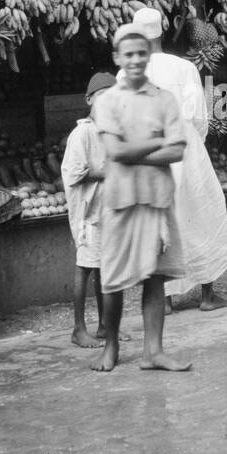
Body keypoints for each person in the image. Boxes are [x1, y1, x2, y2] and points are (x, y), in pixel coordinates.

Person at [90, 26, 192, 373]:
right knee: (113, 279)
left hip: (156, 198)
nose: (135, 60)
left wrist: (135, 151)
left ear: (148, 56)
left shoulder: (164, 98)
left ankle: (153, 351)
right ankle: (111, 345)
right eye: (128, 54)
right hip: (121, 198)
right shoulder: (107, 101)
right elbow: (114, 150)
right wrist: (154, 141)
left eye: (140, 53)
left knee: (155, 277)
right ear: (118, 58)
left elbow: (178, 148)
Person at [121, 8, 227, 312]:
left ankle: (165, 300)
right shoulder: (183, 68)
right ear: (160, 32)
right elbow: (199, 116)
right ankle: (207, 295)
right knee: (202, 216)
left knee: (161, 224)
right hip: (184, 149)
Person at [62, 72, 115, 348]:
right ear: (89, 100)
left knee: (105, 267)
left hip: (108, 211)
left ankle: (105, 325)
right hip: (89, 213)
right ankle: (78, 328)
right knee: (85, 266)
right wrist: (106, 171)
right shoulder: (82, 132)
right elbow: (74, 172)